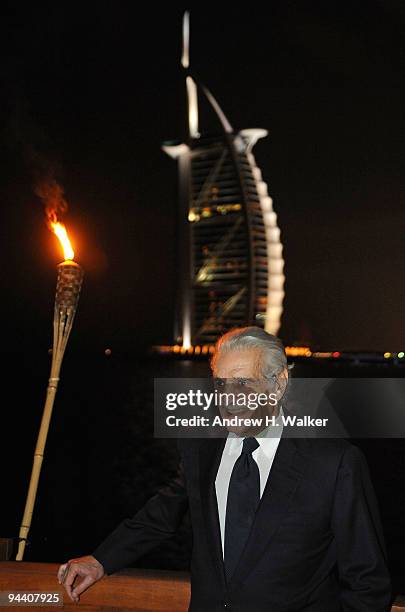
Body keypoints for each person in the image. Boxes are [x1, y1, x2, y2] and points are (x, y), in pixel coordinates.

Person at [57, 326, 392, 611]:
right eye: (220, 383)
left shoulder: (334, 463)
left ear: (278, 384)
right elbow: (160, 516)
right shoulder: (201, 447)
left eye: (243, 382)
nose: (229, 398)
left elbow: (367, 580)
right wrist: (101, 560)